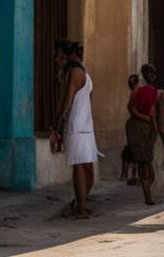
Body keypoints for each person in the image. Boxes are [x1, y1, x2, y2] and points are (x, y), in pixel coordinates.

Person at [51, 40, 100, 218]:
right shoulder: (85, 74)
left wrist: (57, 124)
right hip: (85, 126)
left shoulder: (74, 73)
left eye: (58, 55)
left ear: (65, 54)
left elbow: (67, 101)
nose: (57, 59)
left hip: (76, 126)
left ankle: (80, 208)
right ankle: (81, 205)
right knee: (87, 168)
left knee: (79, 167)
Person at [126, 63, 164, 206]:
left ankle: (150, 191)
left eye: (153, 73)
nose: (151, 76)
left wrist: (157, 126)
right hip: (138, 127)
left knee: (148, 160)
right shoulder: (138, 91)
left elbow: (157, 112)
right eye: (148, 73)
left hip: (150, 129)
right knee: (143, 161)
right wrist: (146, 118)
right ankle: (147, 194)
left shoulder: (157, 92)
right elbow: (132, 109)